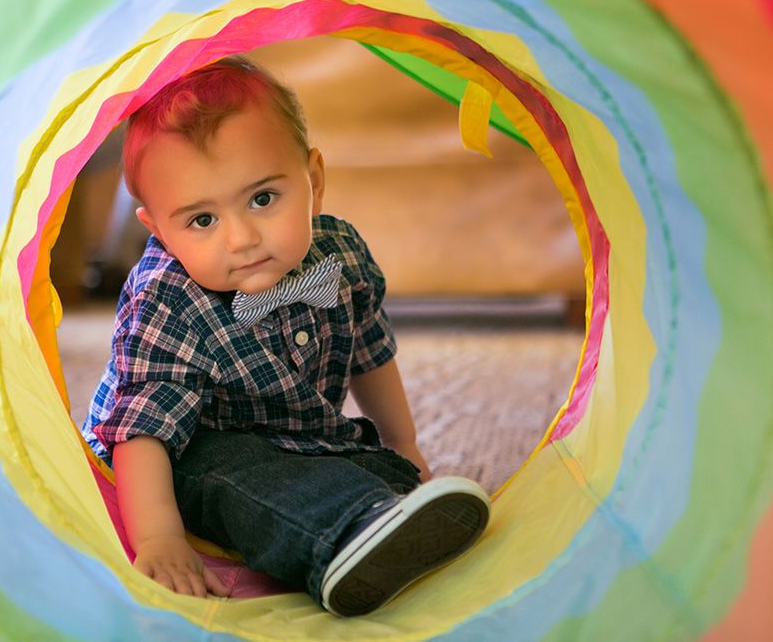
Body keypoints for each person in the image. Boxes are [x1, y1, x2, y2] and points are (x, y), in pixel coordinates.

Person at [82, 56, 490, 617]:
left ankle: (387, 517)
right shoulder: (165, 299)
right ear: (160, 231)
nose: (243, 238)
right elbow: (143, 433)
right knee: (240, 475)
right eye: (202, 220)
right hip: (182, 454)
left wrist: (404, 444)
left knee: (370, 461)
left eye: (263, 199)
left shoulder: (339, 253)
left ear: (313, 182)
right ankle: (344, 537)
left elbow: (372, 352)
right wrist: (158, 538)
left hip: (305, 433)